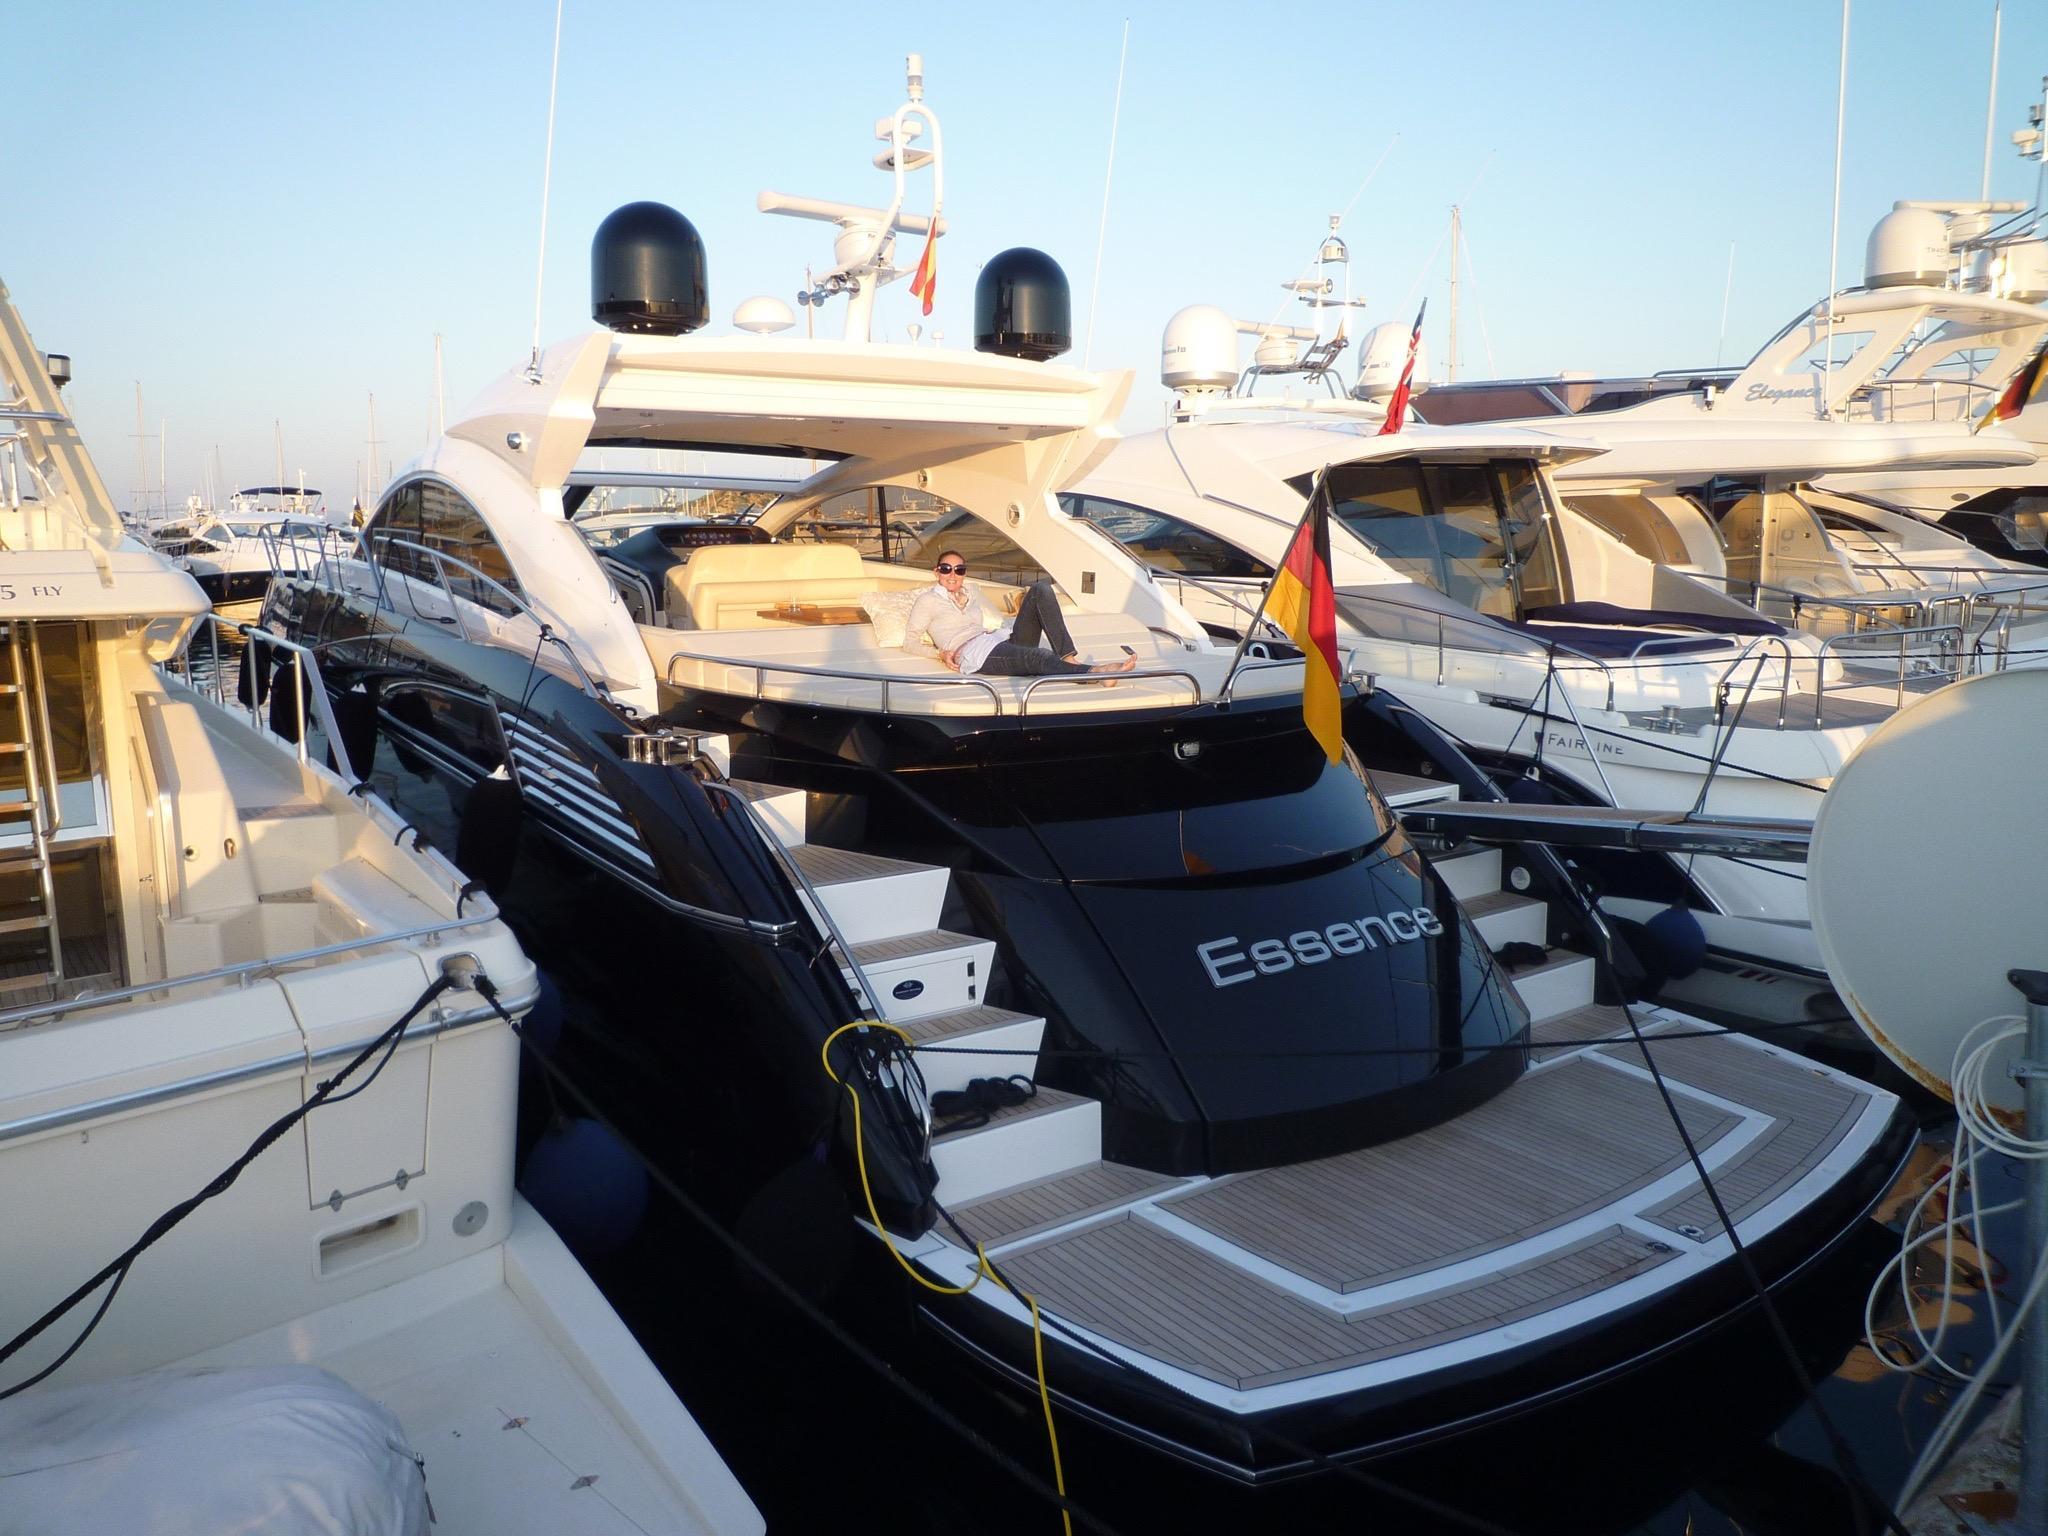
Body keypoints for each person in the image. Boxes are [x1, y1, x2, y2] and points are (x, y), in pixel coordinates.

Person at [901, 552, 1138, 679]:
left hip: (997, 639)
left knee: (1041, 589)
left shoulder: (971, 594)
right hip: (975, 654)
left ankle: (1067, 658)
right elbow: (910, 642)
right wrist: (940, 654)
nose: (952, 575)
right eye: (946, 569)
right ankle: (1094, 673)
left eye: (959, 570)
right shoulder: (927, 600)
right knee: (1038, 656)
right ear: (937, 572)